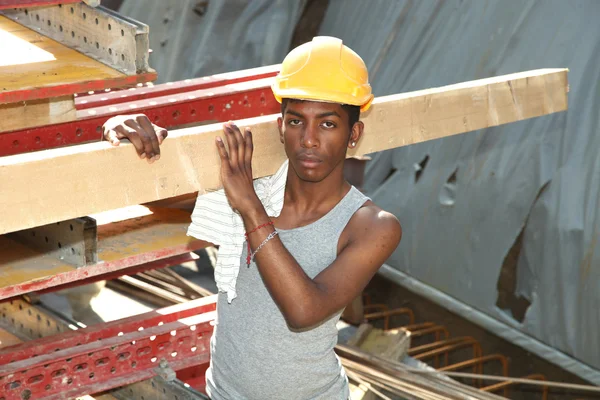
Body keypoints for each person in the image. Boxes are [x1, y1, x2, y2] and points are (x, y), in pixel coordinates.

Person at [102, 36, 402, 400]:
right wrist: (125, 134)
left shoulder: (372, 225)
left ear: (353, 134)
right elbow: (154, 195)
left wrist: (250, 208)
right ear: (280, 128)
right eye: (296, 121)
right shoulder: (252, 188)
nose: (308, 140)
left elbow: (304, 311)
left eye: (327, 124)